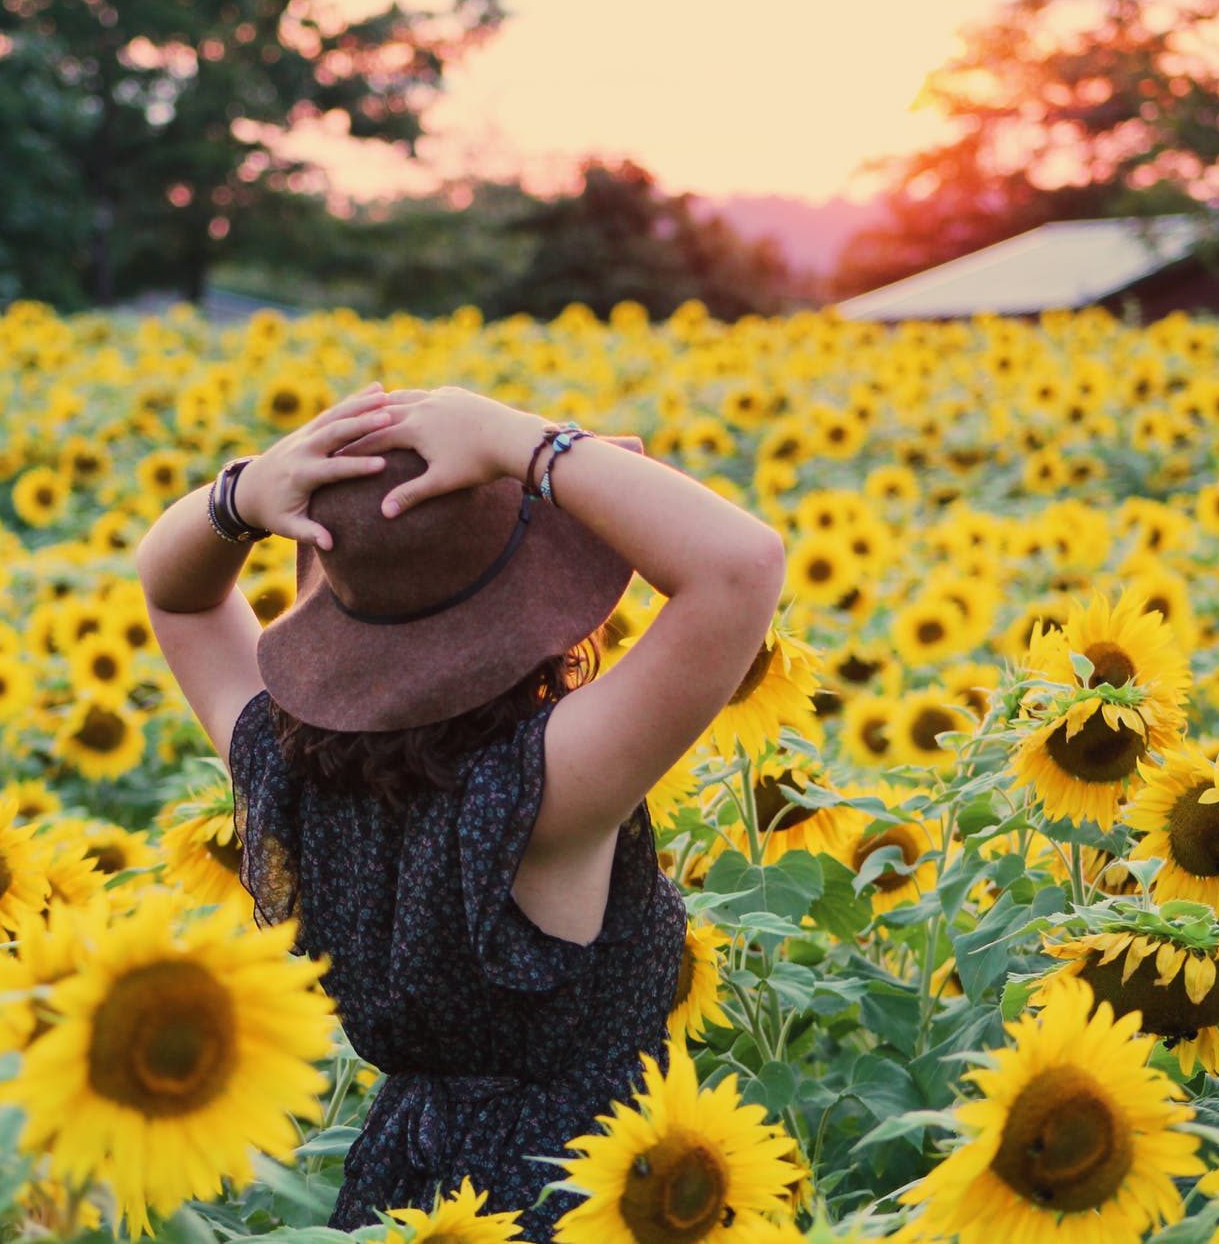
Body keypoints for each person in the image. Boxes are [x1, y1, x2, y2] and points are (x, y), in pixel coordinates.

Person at [135, 381, 788, 1241]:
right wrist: (524, 444)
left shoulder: (283, 762)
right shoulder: (541, 785)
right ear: (530, 602)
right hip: (596, 1198)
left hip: (404, 1204)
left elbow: (175, 594)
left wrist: (241, 496)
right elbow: (740, 567)